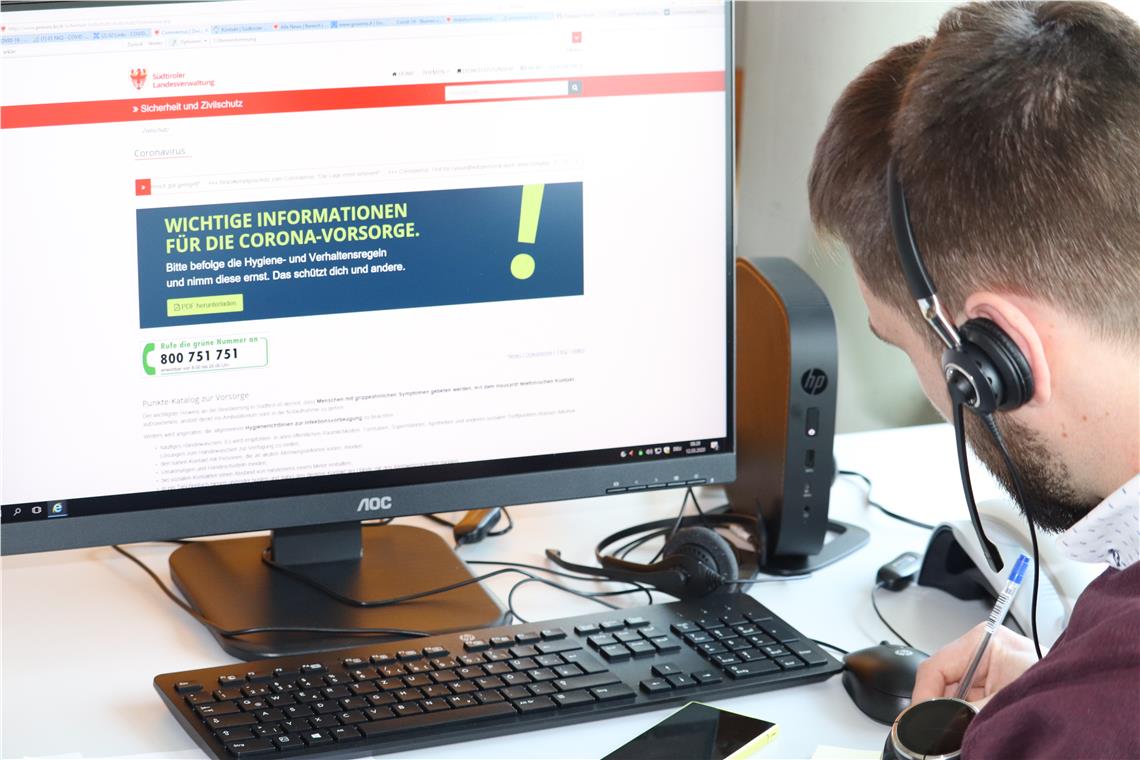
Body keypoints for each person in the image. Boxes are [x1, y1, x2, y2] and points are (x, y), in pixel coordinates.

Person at [807, 1, 1139, 757]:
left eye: (904, 344)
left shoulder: (1091, 715)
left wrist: (1039, 724)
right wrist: (1056, 682)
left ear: (996, 362)